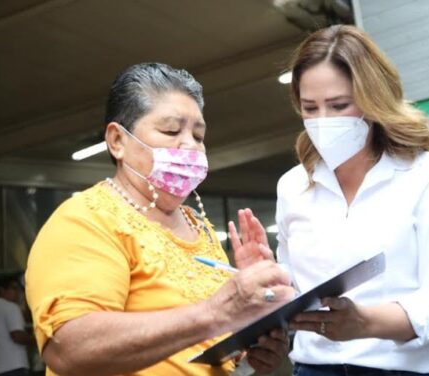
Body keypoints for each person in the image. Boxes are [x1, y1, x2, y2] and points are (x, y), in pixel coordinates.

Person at [25, 63, 296, 376]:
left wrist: (251, 340)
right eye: (171, 131)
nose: (190, 145)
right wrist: (217, 312)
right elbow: (70, 349)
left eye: (198, 134)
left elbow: (206, 351)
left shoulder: (199, 226)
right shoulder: (86, 220)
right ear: (117, 141)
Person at [275, 25, 429, 375]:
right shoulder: (293, 187)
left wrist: (367, 323)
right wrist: (267, 283)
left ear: (374, 101)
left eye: (339, 105)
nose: (322, 121)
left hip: (418, 369)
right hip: (317, 368)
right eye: (310, 108)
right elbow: (295, 292)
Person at [0, 276, 35, 376]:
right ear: (1, 290)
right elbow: (17, 336)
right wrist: (39, 341)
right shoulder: (10, 307)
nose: (17, 293)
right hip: (13, 368)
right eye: (14, 288)